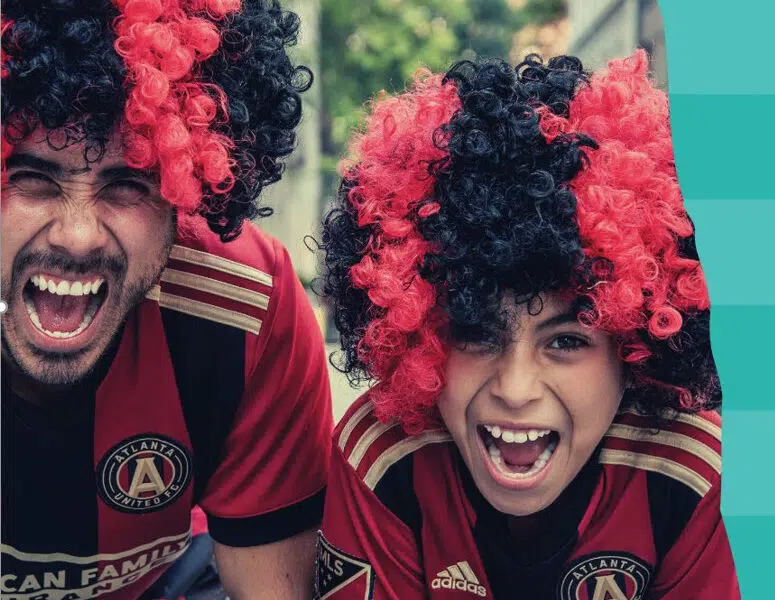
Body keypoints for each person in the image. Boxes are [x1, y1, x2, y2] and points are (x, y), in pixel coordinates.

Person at [315, 50, 740, 599]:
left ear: (634, 349)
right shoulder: (385, 457)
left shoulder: (693, 472)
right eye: (475, 332)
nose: (515, 389)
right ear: (419, 340)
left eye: (566, 341)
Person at [0, 1, 333, 598]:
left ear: (184, 191)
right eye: (32, 180)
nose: (77, 236)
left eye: (128, 184)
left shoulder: (243, 306)